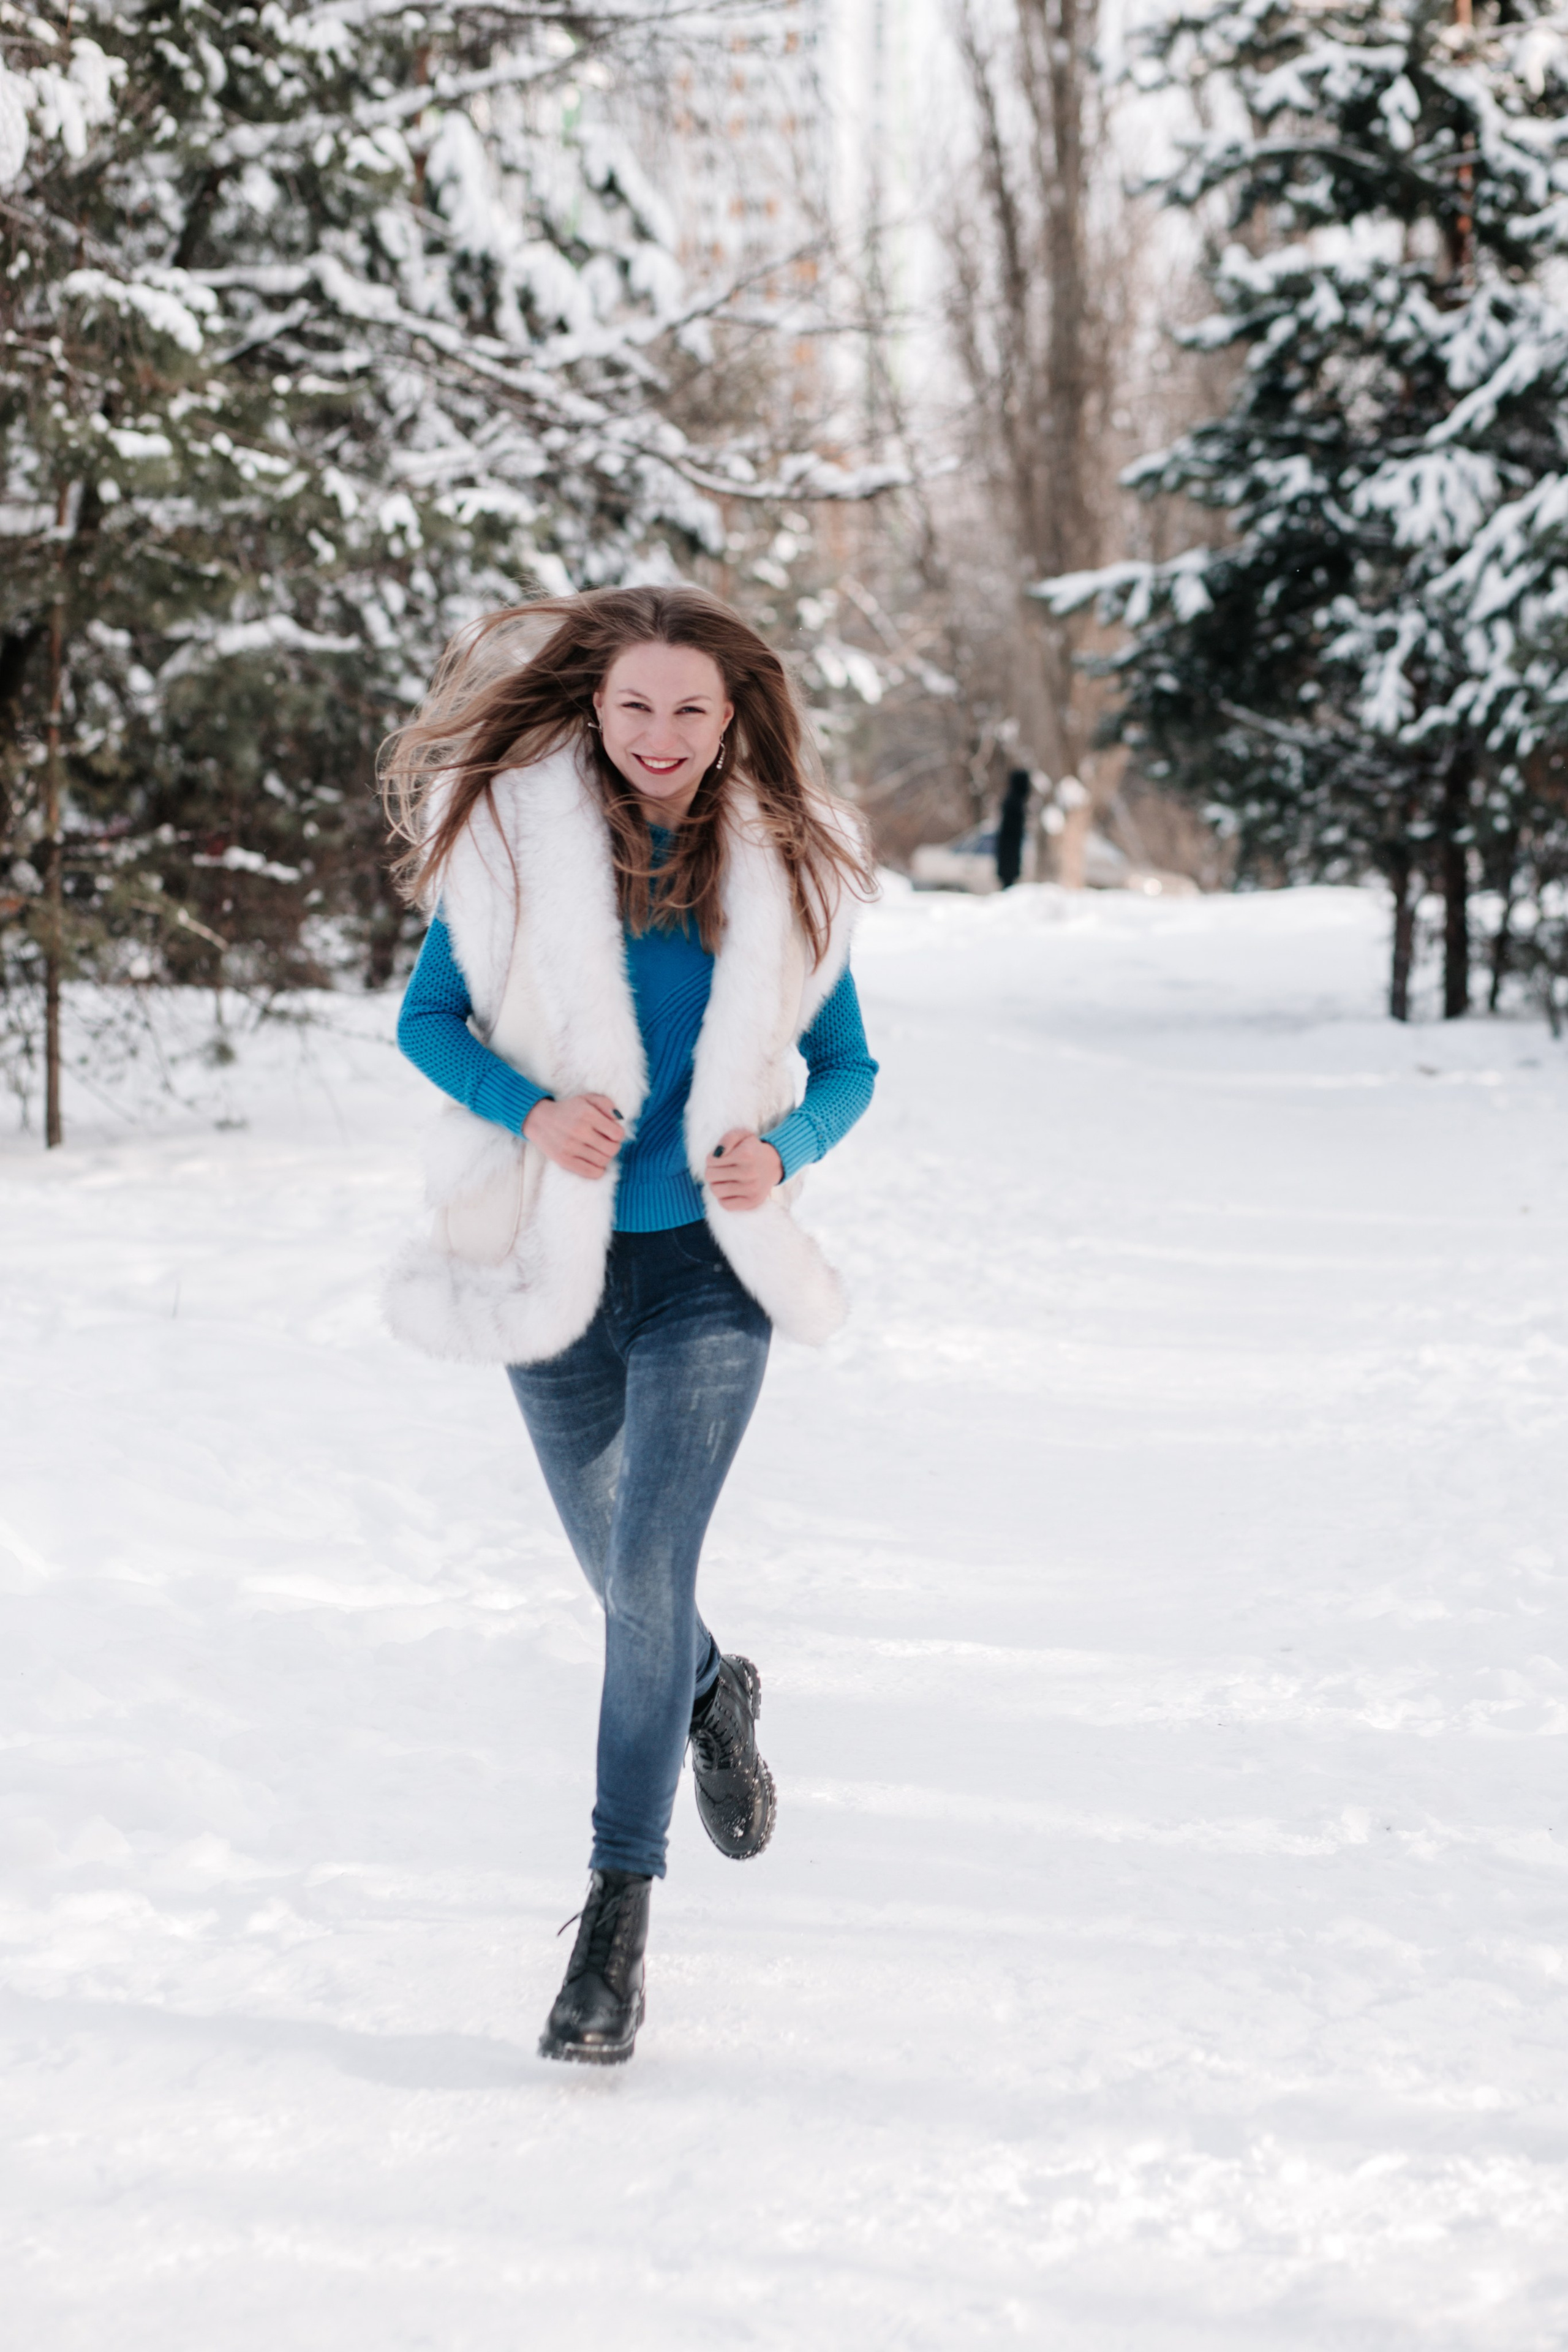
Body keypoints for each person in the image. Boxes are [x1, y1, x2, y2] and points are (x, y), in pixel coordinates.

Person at [380, 586, 878, 2066]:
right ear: (595, 706)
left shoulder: (788, 868)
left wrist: (783, 1153)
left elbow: (848, 1066)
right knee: (623, 1587)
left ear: (733, 723)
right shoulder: (509, 850)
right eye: (636, 706)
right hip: (557, 1271)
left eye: (691, 711)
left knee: (649, 1572)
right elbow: (423, 1023)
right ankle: (713, 1692)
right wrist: (529, 1108)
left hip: (712, 1281)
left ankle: (614, 1919)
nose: (660, 736)